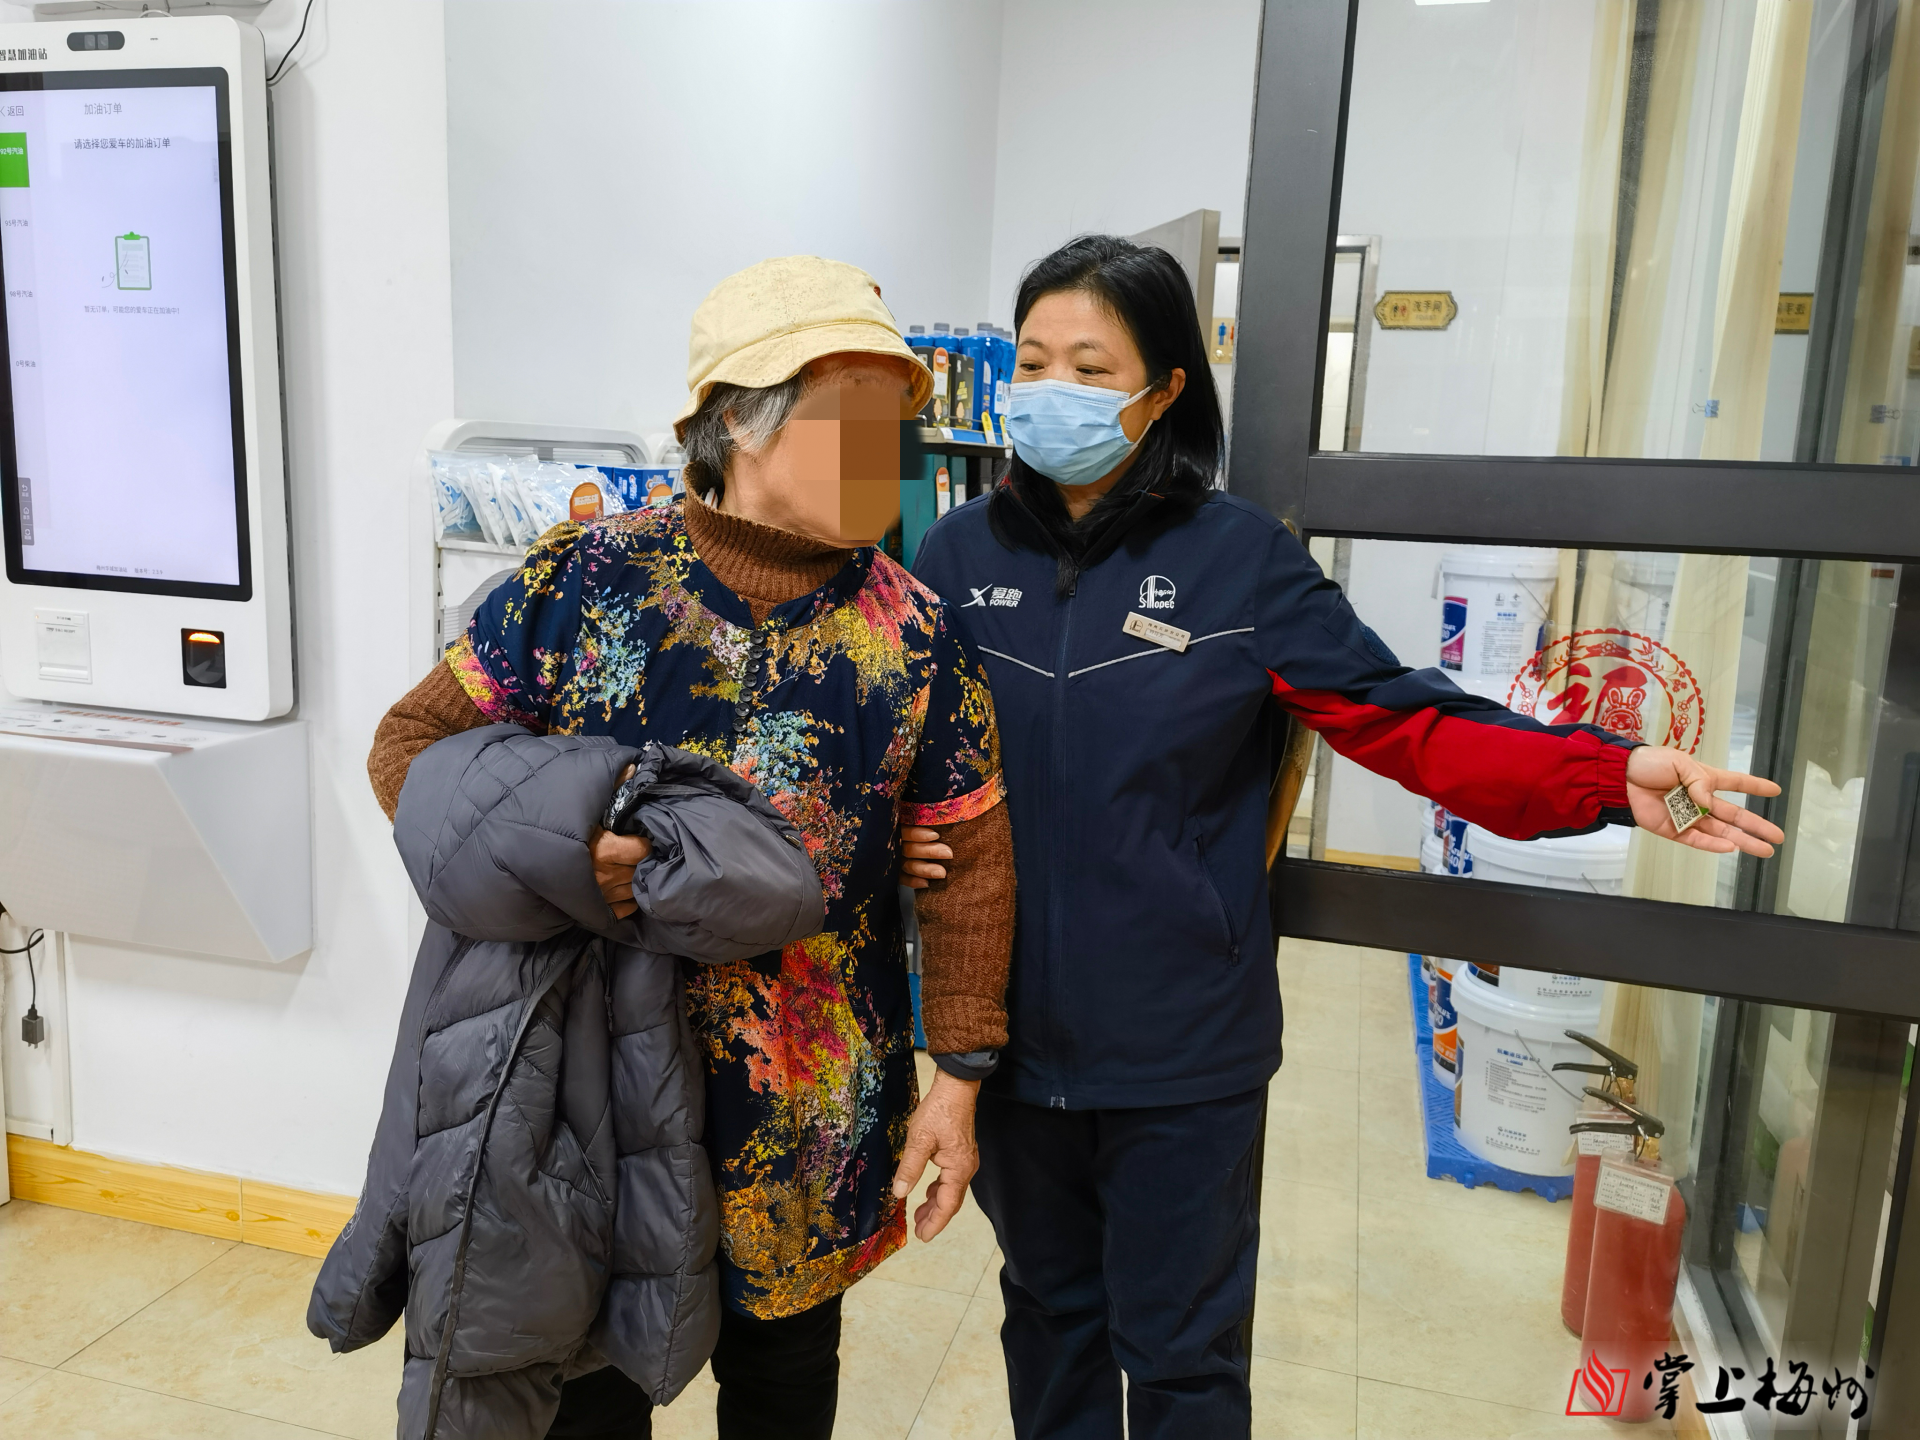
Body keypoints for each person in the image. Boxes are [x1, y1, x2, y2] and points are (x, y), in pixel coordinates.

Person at [903, 234, 1783, 1440]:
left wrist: (1605, 774)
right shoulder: (955, 556)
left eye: (1091, 368)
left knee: (1182, 1356)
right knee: (1049, 1322)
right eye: (1034, 362)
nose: (1053, 391)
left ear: (1165, 390)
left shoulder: (1237, 561)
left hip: (1181, 1052)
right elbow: (910, 754)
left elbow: (1406, 719)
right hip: (1006, 1044)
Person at [364, 255, 1016, 1439]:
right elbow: (411, 751)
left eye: (896, 428)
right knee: (592, 1390)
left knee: (784, 1391)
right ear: (739, 422)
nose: (889, 459)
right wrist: (567, 858)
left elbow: (970, 860)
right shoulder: (586, 581)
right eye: (851, 421)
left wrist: (959, 1079)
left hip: (806, 1120)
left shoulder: (914, 633)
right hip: (592, 1105)